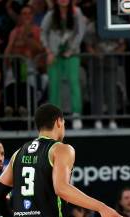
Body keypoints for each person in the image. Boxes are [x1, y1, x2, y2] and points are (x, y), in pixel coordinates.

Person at [41, 0, 86, 130]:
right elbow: (43, 33)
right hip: (54, 55)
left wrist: (71, 49)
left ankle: (76, 114)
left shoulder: (77, 12)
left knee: (74, 82)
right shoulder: (50, 15)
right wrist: (48, 51)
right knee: (54, 84)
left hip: (71, 54)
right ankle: (55, 119)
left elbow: (80, 33)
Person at [3, 4, 45, 118]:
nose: (26, 16)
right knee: (10, 79)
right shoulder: (14, 32)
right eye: (24, 14)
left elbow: (40, 50)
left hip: (32, 66)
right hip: (15, 65)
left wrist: (26, 37)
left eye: (29, 13)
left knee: (30, 80)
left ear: (33, 16)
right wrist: (12, 43)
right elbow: (8, 52)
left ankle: (26, 109)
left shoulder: (39, 30)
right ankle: (10, 109)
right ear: (20, 16)